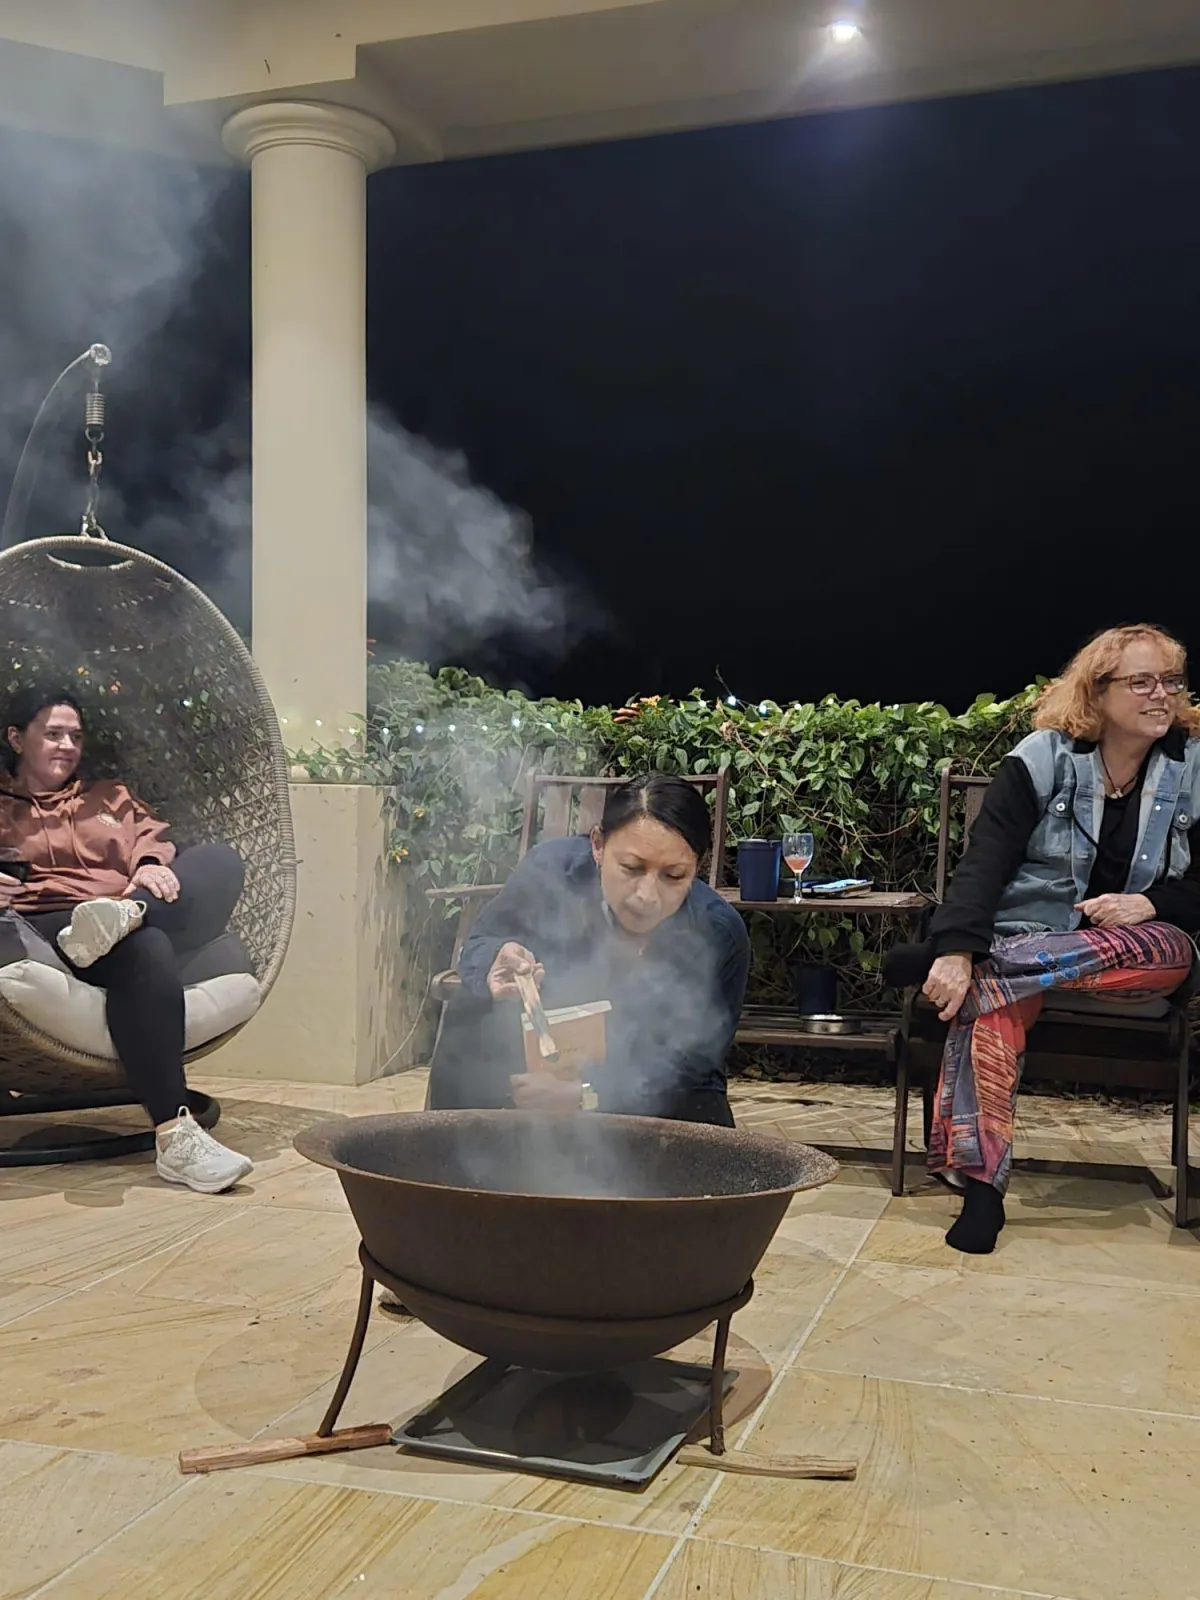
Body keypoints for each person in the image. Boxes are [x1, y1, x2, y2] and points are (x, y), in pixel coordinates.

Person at [887, 626, 1200, 1255]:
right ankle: (984, 1192)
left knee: (1169, 950)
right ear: (1097, 691)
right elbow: (986, 861)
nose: (1161, 694)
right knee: (991, 1007)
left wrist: (1150, 904)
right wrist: (959, 947)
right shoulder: (1042, 758)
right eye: (1141, 681)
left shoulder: (1194, 766)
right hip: (1032, 937)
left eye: (1170, 681)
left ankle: (984, 962)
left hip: (1135, 955)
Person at [0, 686, 254, 1193]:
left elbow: (152, 839)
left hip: (119, 913)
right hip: (43, 927)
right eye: (53, 734)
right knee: (148, 945)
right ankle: (175, 1135)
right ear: (16, 739)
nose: (67, 746)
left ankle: (129, 915)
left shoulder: (110, 796)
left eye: (75, 736)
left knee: (219, 862)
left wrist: (151, 867)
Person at [427, 773, 751, 1125]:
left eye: (673, 876)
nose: (647, 896)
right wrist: (494, 961)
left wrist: (587, 1094)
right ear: (598, 845)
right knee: (470, 1019)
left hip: (650, 1092)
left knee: (701, 1103)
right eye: (631, 868)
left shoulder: (716, 933)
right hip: (536, 1058)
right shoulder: (549, 873)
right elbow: (481, 942)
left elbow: (692, 1066)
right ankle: (450, 1148)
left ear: (697, 867)